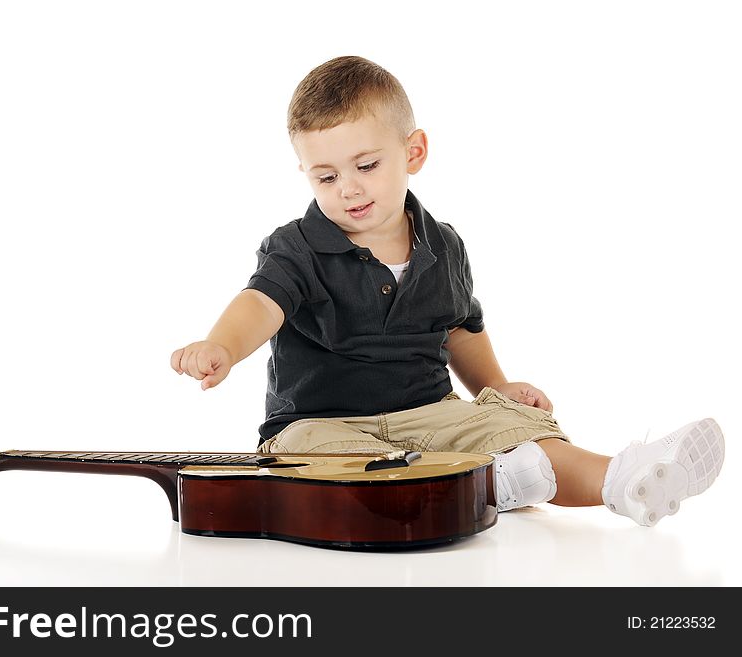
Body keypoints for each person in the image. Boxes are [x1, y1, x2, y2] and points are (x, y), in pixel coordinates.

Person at [170, 55, 724, 526]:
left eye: (365, 165)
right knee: (307, 461)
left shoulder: (444, 245)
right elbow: (260, 304)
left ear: (413, 152)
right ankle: (482, 486)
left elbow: (459, 329)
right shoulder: (296, 247)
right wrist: (222, 345)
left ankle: (622, 480)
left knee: (514, 428)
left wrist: (499, 387)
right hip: (324, 425)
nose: (348, 189)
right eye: (326, 176)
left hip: (431, 412)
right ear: (306, 174)